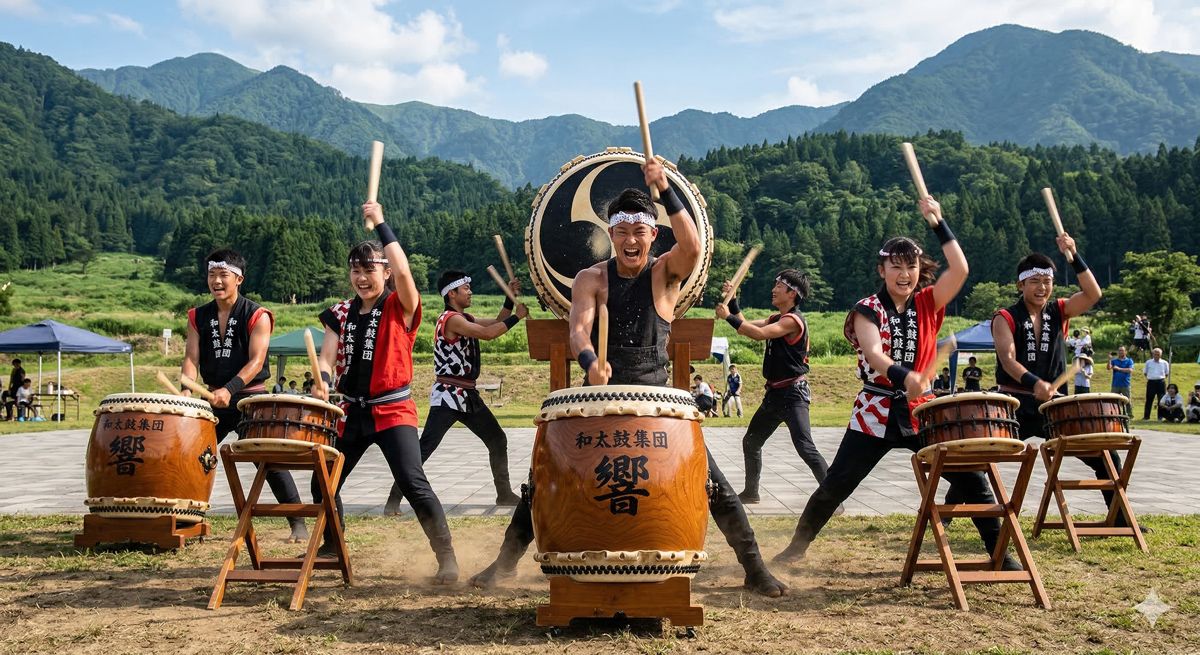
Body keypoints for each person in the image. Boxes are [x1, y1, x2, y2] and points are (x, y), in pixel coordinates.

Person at [469, 158, 788, 597]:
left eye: (640, 232)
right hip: (598, 399)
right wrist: (588, 360)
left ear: (653, 236)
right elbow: (578, 327)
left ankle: (754, 568)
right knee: (544, 480)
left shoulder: (664, 272)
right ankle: (503, 566)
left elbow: (693, 249)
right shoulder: (591, 278)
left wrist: (666, 192)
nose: (630, 240)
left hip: (655, 400)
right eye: (621, 232)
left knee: (710, 481)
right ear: (610, 236)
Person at [774, 195, 1018, 569]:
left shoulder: (929, 302)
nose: (905, 273)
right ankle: (795, 549)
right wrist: (907, 377)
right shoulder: (866, 309)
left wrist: (938, 221)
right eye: (896, 266)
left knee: (972, 477)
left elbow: (961, 269)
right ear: (882, 269)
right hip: (876, 410)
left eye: (912, 266)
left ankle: (1001, 557)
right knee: (837, 484)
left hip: (926, 411)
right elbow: (874, 354)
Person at [311, 202, 458, 583]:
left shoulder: (400, 306)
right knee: (322, 481)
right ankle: (333, 545)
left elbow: (406, 270)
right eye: (355, 270)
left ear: (386, 273)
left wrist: (380, 224)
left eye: (370, 270)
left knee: (412, 482)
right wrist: (323, 382)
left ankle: (446, 557)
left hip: (393, 411)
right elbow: (326, 359)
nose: (361, 278)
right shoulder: (339, 313)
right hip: (350, 413)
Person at [989, 242, 1140, 531]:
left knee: (1104, 454)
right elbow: (1008, 361)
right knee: (980, 454)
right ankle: (944, 513)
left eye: (1047, 281)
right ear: (1021, 284)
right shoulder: (1004, 317)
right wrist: (1035, 383)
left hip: (1054, 405)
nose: (1042, 287)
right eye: (1035, 281)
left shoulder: (1060, 310)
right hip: (1014, 404)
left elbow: (1093, 294)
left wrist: (1073, 256)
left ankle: (1120, 515)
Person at [181, 248, 307, 542]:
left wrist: (230, 389)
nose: (217, 281)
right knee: (194, 455)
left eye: (223, 275)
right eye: (212, 275)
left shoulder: (257, 314)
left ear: (239, 279)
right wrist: (187, 389)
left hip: (250, 399)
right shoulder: (198, 315)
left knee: (268, 460)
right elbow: (191, 358)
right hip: (212, 399)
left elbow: (256, 361)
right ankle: (187, 518)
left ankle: (297, 522)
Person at [382, 269, 528, 515]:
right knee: (424, 448)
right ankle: (393, 499)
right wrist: (518, 317)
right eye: (466, 289)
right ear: (452, 294)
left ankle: (503, 494)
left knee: (497, 439)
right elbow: (488, 334)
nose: (470, 292)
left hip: (467, 395)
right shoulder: (451, 320)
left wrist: (508, 299)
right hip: (449, 394)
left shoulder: (464, 317)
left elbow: (494, 322)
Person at [717, 269, 831, 505]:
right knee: (751, 441)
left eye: (778, 286)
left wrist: (728, 316)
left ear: (791, 293)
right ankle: (751, 493)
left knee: (805, 447)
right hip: (775, 395)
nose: (773, 289)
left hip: (793, 394)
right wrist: (734, 300)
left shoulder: (792, 320)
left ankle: (833, 497)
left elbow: (758, 334)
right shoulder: (777, 318)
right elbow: (747, 325)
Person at [1142, 348, 1169, 421]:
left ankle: (1160, 417)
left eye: (1158, 354)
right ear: (1153, 354)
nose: (1156, 356)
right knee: (1149, 399)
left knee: (1161, 400)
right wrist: (1152, 377)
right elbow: (1145, 372)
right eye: (1155, 354)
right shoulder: (1148, 362)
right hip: (1151, 382)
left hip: (1161, 382)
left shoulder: (1165, 363)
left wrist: (1159, 378)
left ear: (1161, 355)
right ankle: (1146, 417)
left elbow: (1166, 373)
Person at [1110, 346, 1134, 415]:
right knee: (1113, 400)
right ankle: (1114, 413)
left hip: (1125, 384)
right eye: (1119, 350)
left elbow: (1130, 370)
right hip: (1115, 384)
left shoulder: (1129, 360)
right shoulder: (1114, 361)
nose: (1120, 352)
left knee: (1127, 400)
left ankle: (1130, 414)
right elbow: (1109, 367)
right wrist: (1109, 359)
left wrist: (1119, 369)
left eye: (1122, 350)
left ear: (1125, 352)